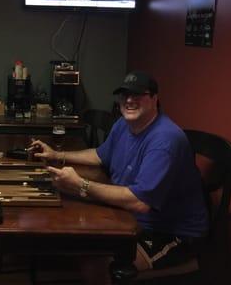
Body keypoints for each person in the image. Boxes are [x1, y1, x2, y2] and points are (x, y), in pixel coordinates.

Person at [31, 71, 208, 278]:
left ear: (154, 99)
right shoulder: (123, 124)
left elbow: (140, 202)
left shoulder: (165, 140)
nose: (130, 100)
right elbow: (99, 155)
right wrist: (57, 154)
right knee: (77, 237)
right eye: (124, 95)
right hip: (129, 217)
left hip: (171, 232)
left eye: (138, 95)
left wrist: (80, 184)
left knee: (95, 261)